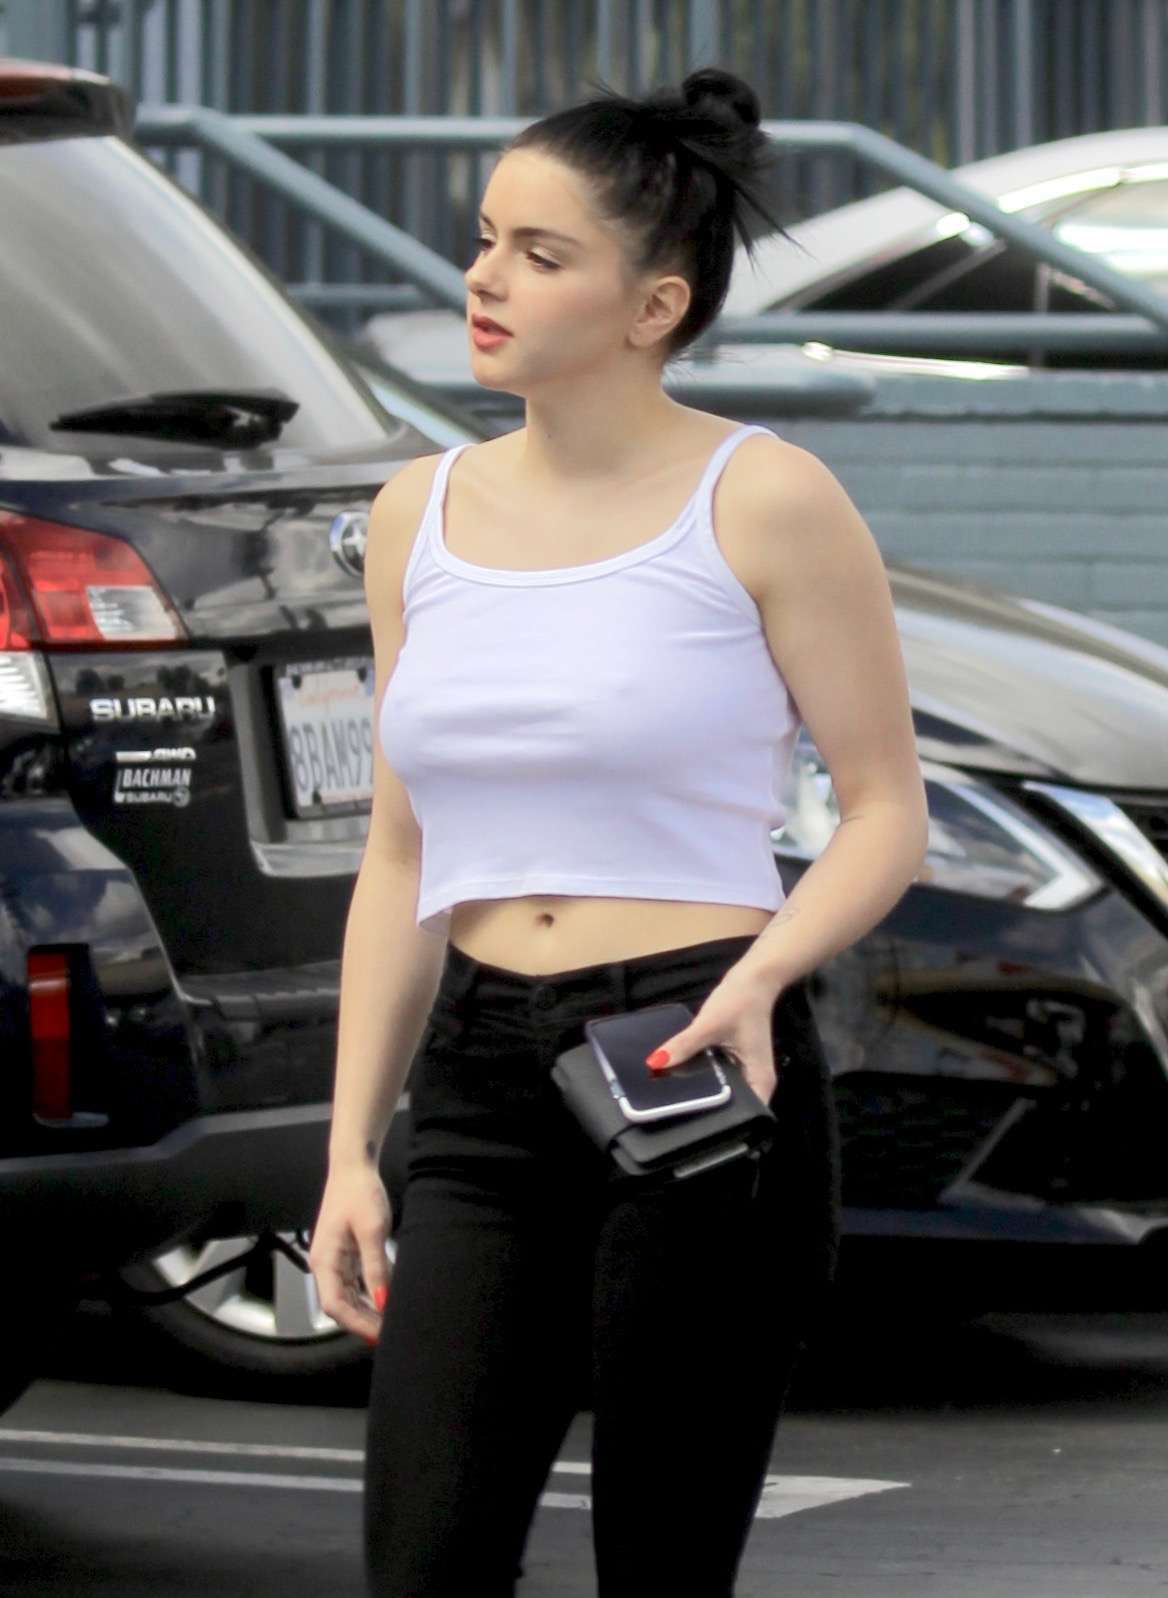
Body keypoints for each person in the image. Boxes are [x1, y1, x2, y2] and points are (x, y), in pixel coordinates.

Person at [309, 64, 929, 1598]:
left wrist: (763, 974)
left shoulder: (764, 498)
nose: (484, 278)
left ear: (655, 306)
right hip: (479, 1080)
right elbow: (402, 855)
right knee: (424, 1562)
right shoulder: (416, 513)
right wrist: (349, 1149)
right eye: (484, 239)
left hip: (694, 1051)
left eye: (541, 253)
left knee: (661, 1564)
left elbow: (884, 811)